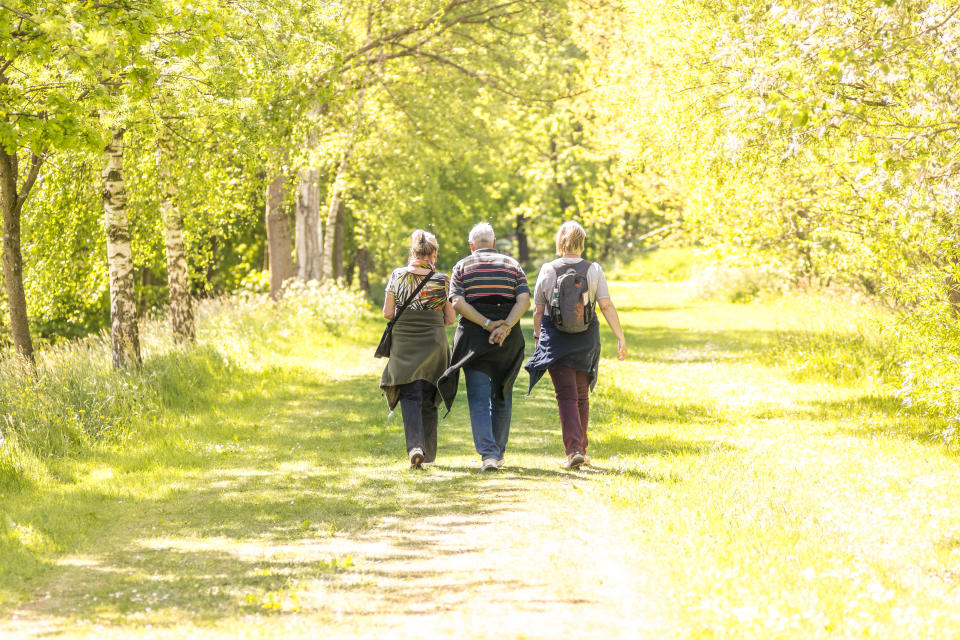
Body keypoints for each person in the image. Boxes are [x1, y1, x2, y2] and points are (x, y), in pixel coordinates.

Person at [525, 221, 627, 469]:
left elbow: (538, 310)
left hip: (555, 338)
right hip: (585, 338)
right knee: (581, 396)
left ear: (559, 242)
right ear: (582, 242)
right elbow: (605, 305)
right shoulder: (594, 270)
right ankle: (580, 449)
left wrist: (538, 338)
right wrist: (620, 337)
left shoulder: (548, 270)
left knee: (566, 396)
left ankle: (574, 451)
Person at [437, 222, 530, 472]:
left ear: (471, 246)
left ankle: (489, 456)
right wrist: (506, 326)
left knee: (479, 398)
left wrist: (487, 324)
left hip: (473, 340)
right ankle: (498, 453)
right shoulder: (513, 265)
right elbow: (523, 299)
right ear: (494, 243)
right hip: (508, 340)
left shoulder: (462, 266)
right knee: (502, 393)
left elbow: (456, 301)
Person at [380, 230, 456, 469]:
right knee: (430, 394)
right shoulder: (442, 279)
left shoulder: (397, 275)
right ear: (433, 253)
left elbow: (388, 313)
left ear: (413, 252)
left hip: (404, 341)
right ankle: (429, 454)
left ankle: (415, 446)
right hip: (433, 341)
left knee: (410, 394)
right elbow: (451, 318)